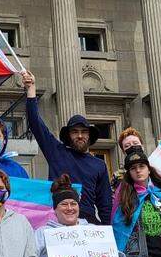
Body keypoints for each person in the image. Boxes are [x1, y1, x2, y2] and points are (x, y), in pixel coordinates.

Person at [21, 70, 112, 225]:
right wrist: (31, 90)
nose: (80, 136)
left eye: (84, 132)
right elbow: (36, 124)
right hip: (57, 221)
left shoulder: (99, 165)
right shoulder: (56, 152)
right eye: (75, 132)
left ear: (90, 136)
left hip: (89, 224)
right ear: (68, 136)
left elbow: (105, 204)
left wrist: (108, 233)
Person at [33, 174, 125, 257]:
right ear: (55, 209)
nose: (70, 208)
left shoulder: (94, 231)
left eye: (73, 203)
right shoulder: (42, 234)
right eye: (64, 204)